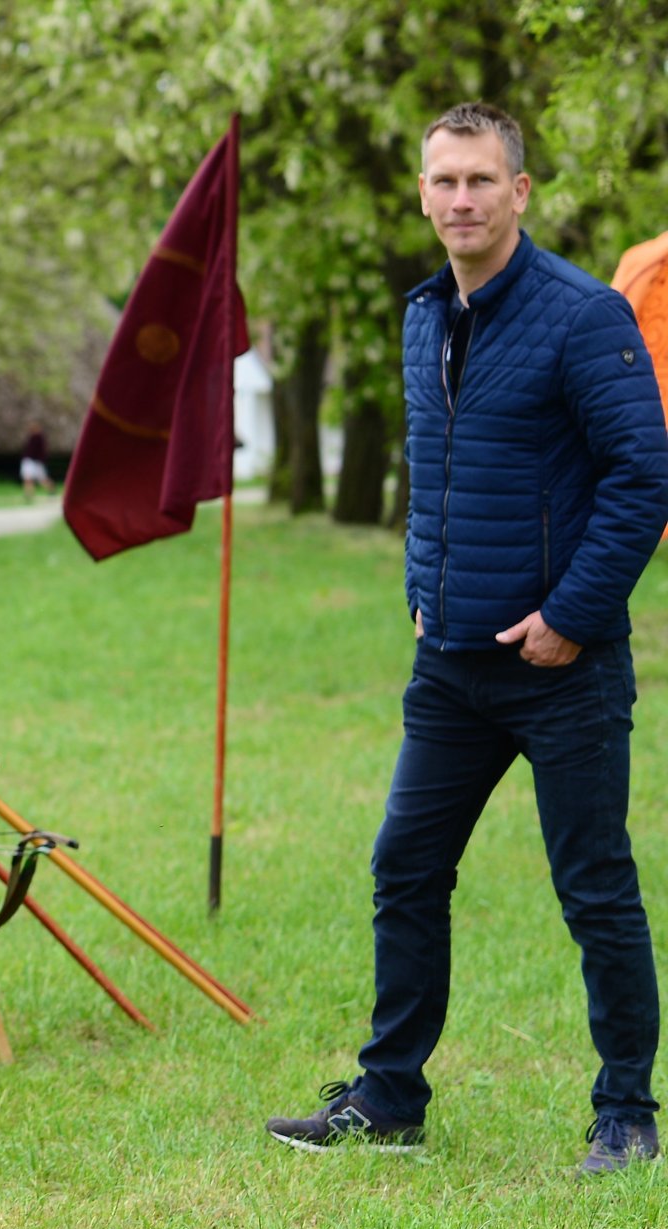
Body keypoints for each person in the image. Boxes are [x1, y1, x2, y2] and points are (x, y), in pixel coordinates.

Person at [265, 103, 668, 1174]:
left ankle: (627, 1113)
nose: (461, 199)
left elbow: (643, 477)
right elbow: (434, 470)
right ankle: (390, 1098)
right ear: (423, 192)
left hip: (565, 670)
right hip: (449, 667)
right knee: (405, 866)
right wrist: (421, 586)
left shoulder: (585, 316)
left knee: (593, 884)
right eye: (443, 180)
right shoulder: (422, 316)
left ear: (519, 191)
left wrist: (571, 618)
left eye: (481, 179)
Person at [19, 425, 52, 496]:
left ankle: (51, 491)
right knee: (28, 478)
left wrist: (41, 460)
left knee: (42, 479)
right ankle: (29, 494)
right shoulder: (32, 438)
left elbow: (41, 452)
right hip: (30, 460)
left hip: (37, 462)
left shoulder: (40, 438)